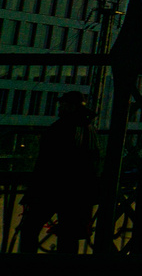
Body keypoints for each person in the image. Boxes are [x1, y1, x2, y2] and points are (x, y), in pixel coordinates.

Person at [18, 92, 101, 253]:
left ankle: (26, 267)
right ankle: (63, 271)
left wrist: (33, 192)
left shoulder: (60, 128)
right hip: (77, 191)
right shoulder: (89, 129)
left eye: (62, 105)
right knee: (69, 234)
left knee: (30, 227)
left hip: (53, 188)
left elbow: (46, 163)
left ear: (70, 107)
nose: (59, 108)